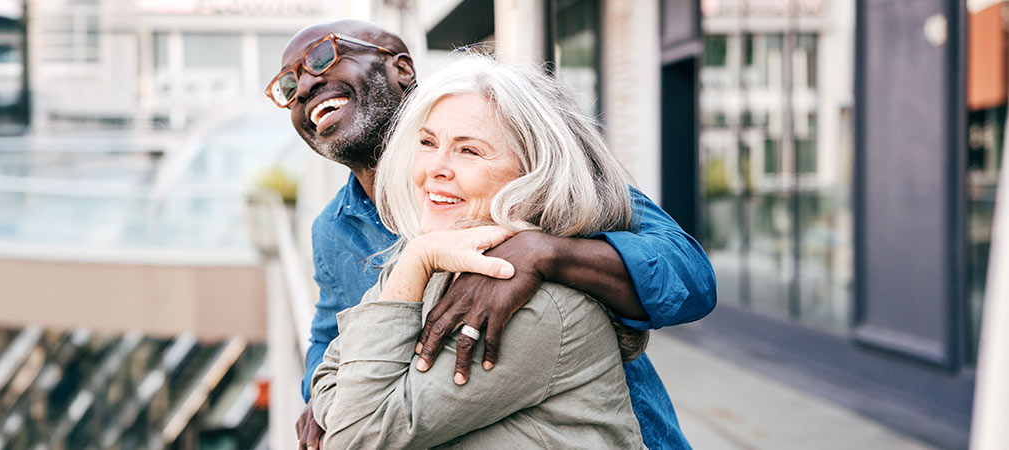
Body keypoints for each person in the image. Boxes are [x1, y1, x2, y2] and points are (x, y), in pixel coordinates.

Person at [266, 20, 716, 449]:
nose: (304, 86)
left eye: (323, 56)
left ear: (401, 68)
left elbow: (690, 278)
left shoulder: (543, 177)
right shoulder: (334, 227)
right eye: (288, 86)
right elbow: (331, 338)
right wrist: (320, 399)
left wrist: (540, 253)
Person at [310, 54, 648, 449]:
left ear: (533, 171)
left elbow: (356, 438)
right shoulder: (431, 258)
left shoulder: (542, 308)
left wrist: (414, 263)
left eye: (468, 151)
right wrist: (416, 261)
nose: (435, 168)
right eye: (427, 143)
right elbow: (327, 374)